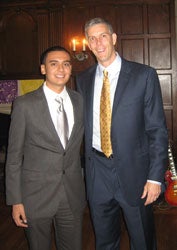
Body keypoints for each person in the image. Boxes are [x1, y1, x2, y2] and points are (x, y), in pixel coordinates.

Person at [76, 17, 168, 250]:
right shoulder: (83, 80)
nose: (98, 43)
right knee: (104, 240)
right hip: (97, 172)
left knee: (142, 239)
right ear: (88, 44)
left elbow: (156, 130)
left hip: (135, 173)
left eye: (103, 36)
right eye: (92, 38)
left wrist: (155, 177)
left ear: (114, 38)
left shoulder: (144, 75)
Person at [6, 46, 86, 250]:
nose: (61, 68)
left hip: (72, 194)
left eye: (66, 63)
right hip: (35, 196)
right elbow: (14, 157)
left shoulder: (80, 101)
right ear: (43, 69)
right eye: (54, 63)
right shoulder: (24, 104)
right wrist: (16, 201)